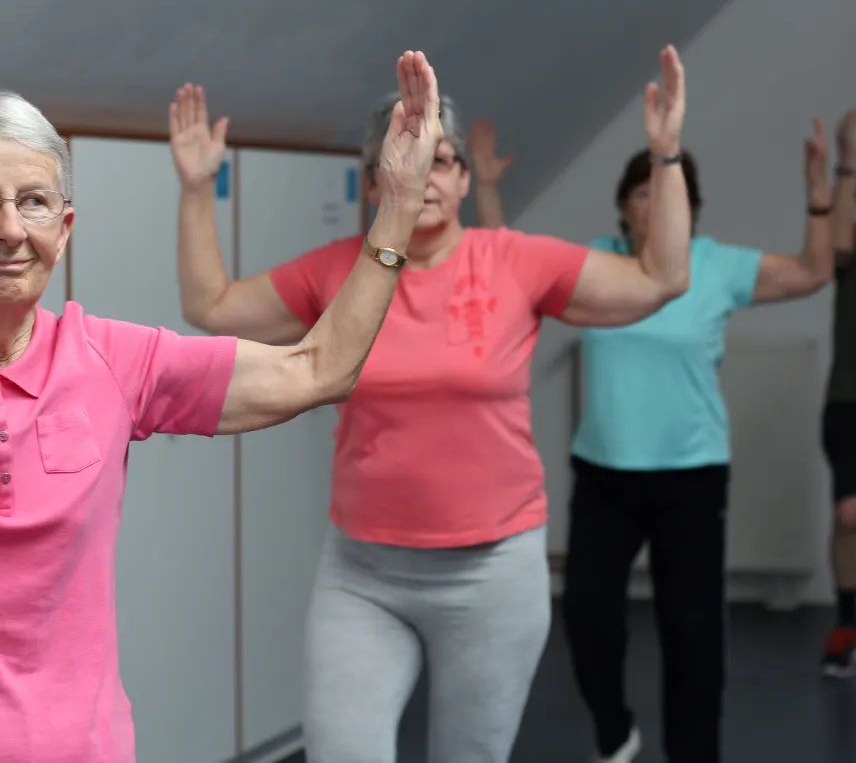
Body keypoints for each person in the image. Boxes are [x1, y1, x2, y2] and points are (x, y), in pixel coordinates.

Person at [173, 45, 691, 763]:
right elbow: (212, 305)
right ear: (378, 179)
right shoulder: (338, 271)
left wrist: (664, 158)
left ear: (463, 178)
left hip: (492, 578)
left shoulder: (514, 261)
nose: (429, 174)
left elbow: (661, 278)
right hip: (364, 576)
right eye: (410, 156)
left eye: (444, 159)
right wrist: (198, 186)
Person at [0, 49, 444, 763]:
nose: (12, 230)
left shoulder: (111, 361)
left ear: (66, 227)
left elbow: (316, 368)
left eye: (34, 202)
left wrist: (396, 206)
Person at [471, 115, 834, 763]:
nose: (657, 202)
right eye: (644, 191)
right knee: (586, 619)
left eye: (670, 192)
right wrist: (491, 190)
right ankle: (614, 731)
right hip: (604, 476)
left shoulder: (715, 266)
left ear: (687, 209)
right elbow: (509, 267)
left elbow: (812, 270)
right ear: (624, 205)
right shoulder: (599, 262)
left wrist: (817, 193)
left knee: (692, 636)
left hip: (691, 479)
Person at [820, 107, 856, 677]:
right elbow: (835, 250)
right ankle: (848, 621)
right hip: (849, 396)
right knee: (850, 516)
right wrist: (846, 159)